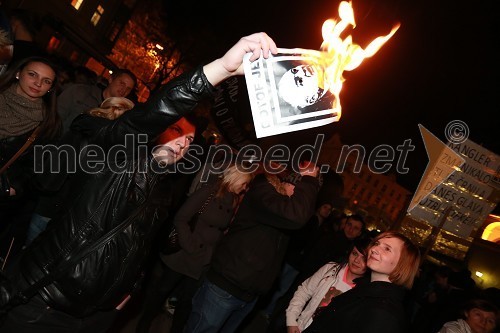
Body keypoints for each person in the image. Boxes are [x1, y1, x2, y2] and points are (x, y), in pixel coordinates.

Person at [0, 32, 279, 333]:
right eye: (175, 130)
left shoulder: (163, 188)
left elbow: (141, 246)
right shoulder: (115, 158)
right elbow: (157, 110)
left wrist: (128, 289)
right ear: (155, 130)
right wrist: (221, 69)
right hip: (46, 301)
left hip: (95, 315)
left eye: (188, 140)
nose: (182, 143)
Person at [184, 165, 320, 333]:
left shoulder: (280, 210)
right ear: (288, 183)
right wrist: (310, 180)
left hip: (249, 295)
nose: (301, 199)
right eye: (299, 192)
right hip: (224, 288)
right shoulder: (262, 191)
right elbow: (295, 215)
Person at [136, 163, 254, 333]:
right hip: (185, 252)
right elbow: (181, 218)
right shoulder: (209, 191)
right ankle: (143, 325)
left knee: (187, 301)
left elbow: (221, 229)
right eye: (244, 183)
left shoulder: (234, 200)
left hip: (203, 259)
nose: (245, 188)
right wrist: (190, 245)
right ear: (235, 178)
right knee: (162, 291)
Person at [25, 96, 135, 245]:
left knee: (29, 250)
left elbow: (52, 171)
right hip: (78, 218)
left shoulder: (80, 130)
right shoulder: (124, 148)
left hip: (50, 204)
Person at [0, 56, 61, 256]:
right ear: (18, 73)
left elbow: (38, 169)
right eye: (32, 74)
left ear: (51, 88)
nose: (38, 83)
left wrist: (14, 187)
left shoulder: (48, 123)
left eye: (46, 81)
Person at [303, 230, 421, 333]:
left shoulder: (384, 312)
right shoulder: (365, 289)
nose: (374, 249)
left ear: (402, 264)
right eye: (376, 243)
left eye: (387, 249)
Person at [286, 237, 371, 332]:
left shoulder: (364, 292)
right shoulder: (330, 269)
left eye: (364, 258)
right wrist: (292, 321)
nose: (356, 260)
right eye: (354, 253)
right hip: (301, 328)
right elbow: (304, 291)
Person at [57, 67, 137, 133]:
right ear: (111, 79)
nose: (124, 90)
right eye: (122, 83)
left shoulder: (119, 114)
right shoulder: (81, 92)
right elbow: (56, 117)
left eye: (128, 89)